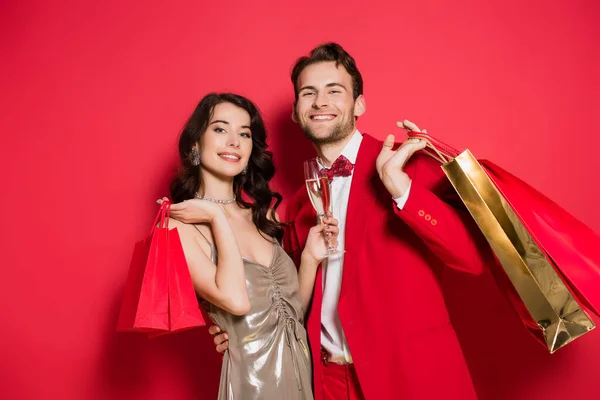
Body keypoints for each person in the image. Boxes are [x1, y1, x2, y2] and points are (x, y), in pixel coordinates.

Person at [210, 44, 493, 400]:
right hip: (325, 381)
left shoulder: (407, 166)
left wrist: (401, 189)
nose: (320, 102)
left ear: (359, 104)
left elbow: (471, 259)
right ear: (297, 113)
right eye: (308, 93)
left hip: (409, 379)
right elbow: (287, 298)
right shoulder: (297, 204)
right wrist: (236, 331)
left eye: (334, 90)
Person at [162, 92, 339, 400]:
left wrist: (310, 256)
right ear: (195, 145)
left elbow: (291, 312)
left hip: (304, 380)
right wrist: (217, 218)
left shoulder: (264, 214)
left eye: (244, 133)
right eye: (220, 129)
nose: (234, 141)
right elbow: (236, 302)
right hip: (251, 387)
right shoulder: (179, 226)